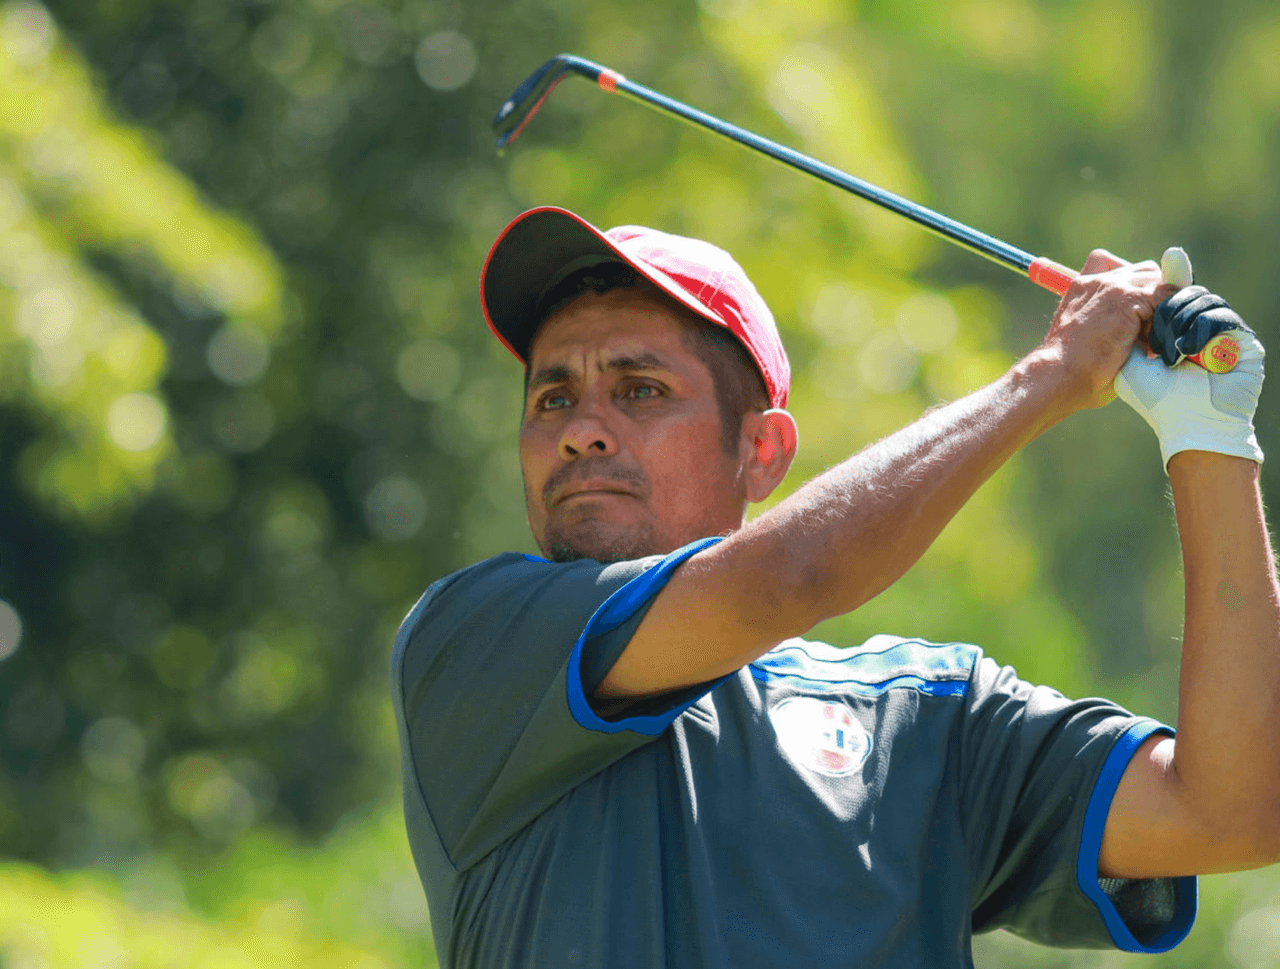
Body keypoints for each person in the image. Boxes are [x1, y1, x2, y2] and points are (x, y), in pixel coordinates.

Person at [390, 205, 1280, 968]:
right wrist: (1051, 373)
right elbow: (786, 578)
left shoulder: (929, 716)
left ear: (763, 451)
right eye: (553, 399)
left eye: (640, 389)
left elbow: (1235, 808)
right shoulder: (473, 644)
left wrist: (1207, 441)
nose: (584, 428)